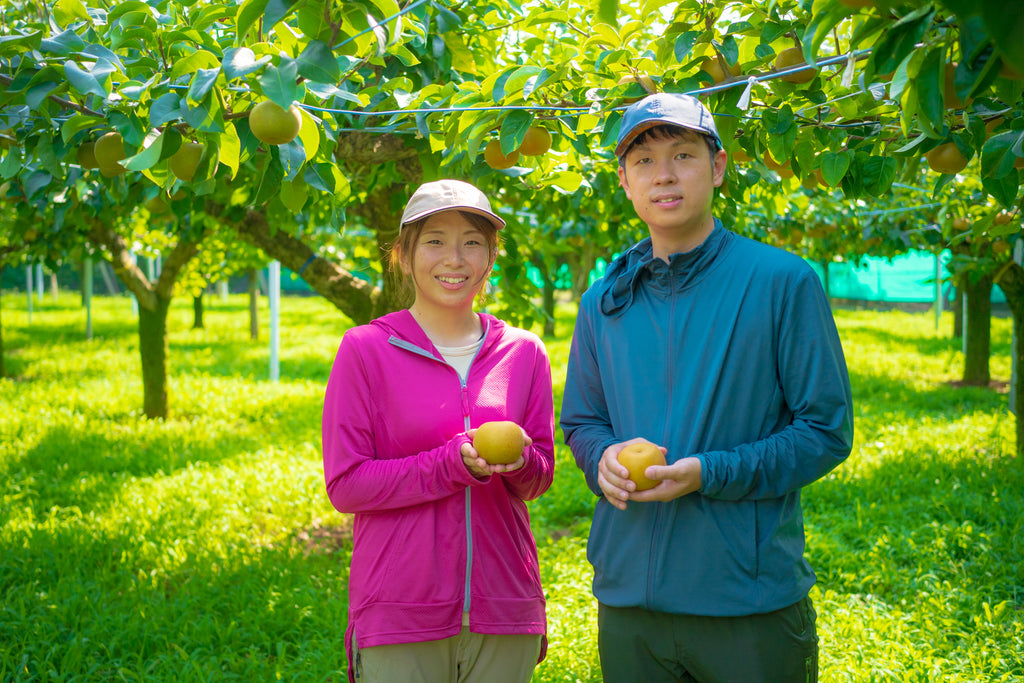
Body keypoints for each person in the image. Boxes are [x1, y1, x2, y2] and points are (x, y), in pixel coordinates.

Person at [559, 92, 854, 682]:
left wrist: (708, 472)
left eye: (682, 155)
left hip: (745, 602)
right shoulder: (604, 300)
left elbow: (825, 432)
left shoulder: (780, 282)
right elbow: (582, 423)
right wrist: (604, 458)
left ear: (717, 167)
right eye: (643, 162)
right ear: (623, 180)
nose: (663, 175)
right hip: (629, 604)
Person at [322, 179, 555, 683]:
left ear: (491, 257)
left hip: (506, 606)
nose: (455, 258)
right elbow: (346, 485)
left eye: (472, 241)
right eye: (435, 241)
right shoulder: (365, 350)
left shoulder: (524, 351)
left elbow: (539, 479)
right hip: (400, 610)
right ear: (404, 255)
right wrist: (447, 466)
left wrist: (520, 463)